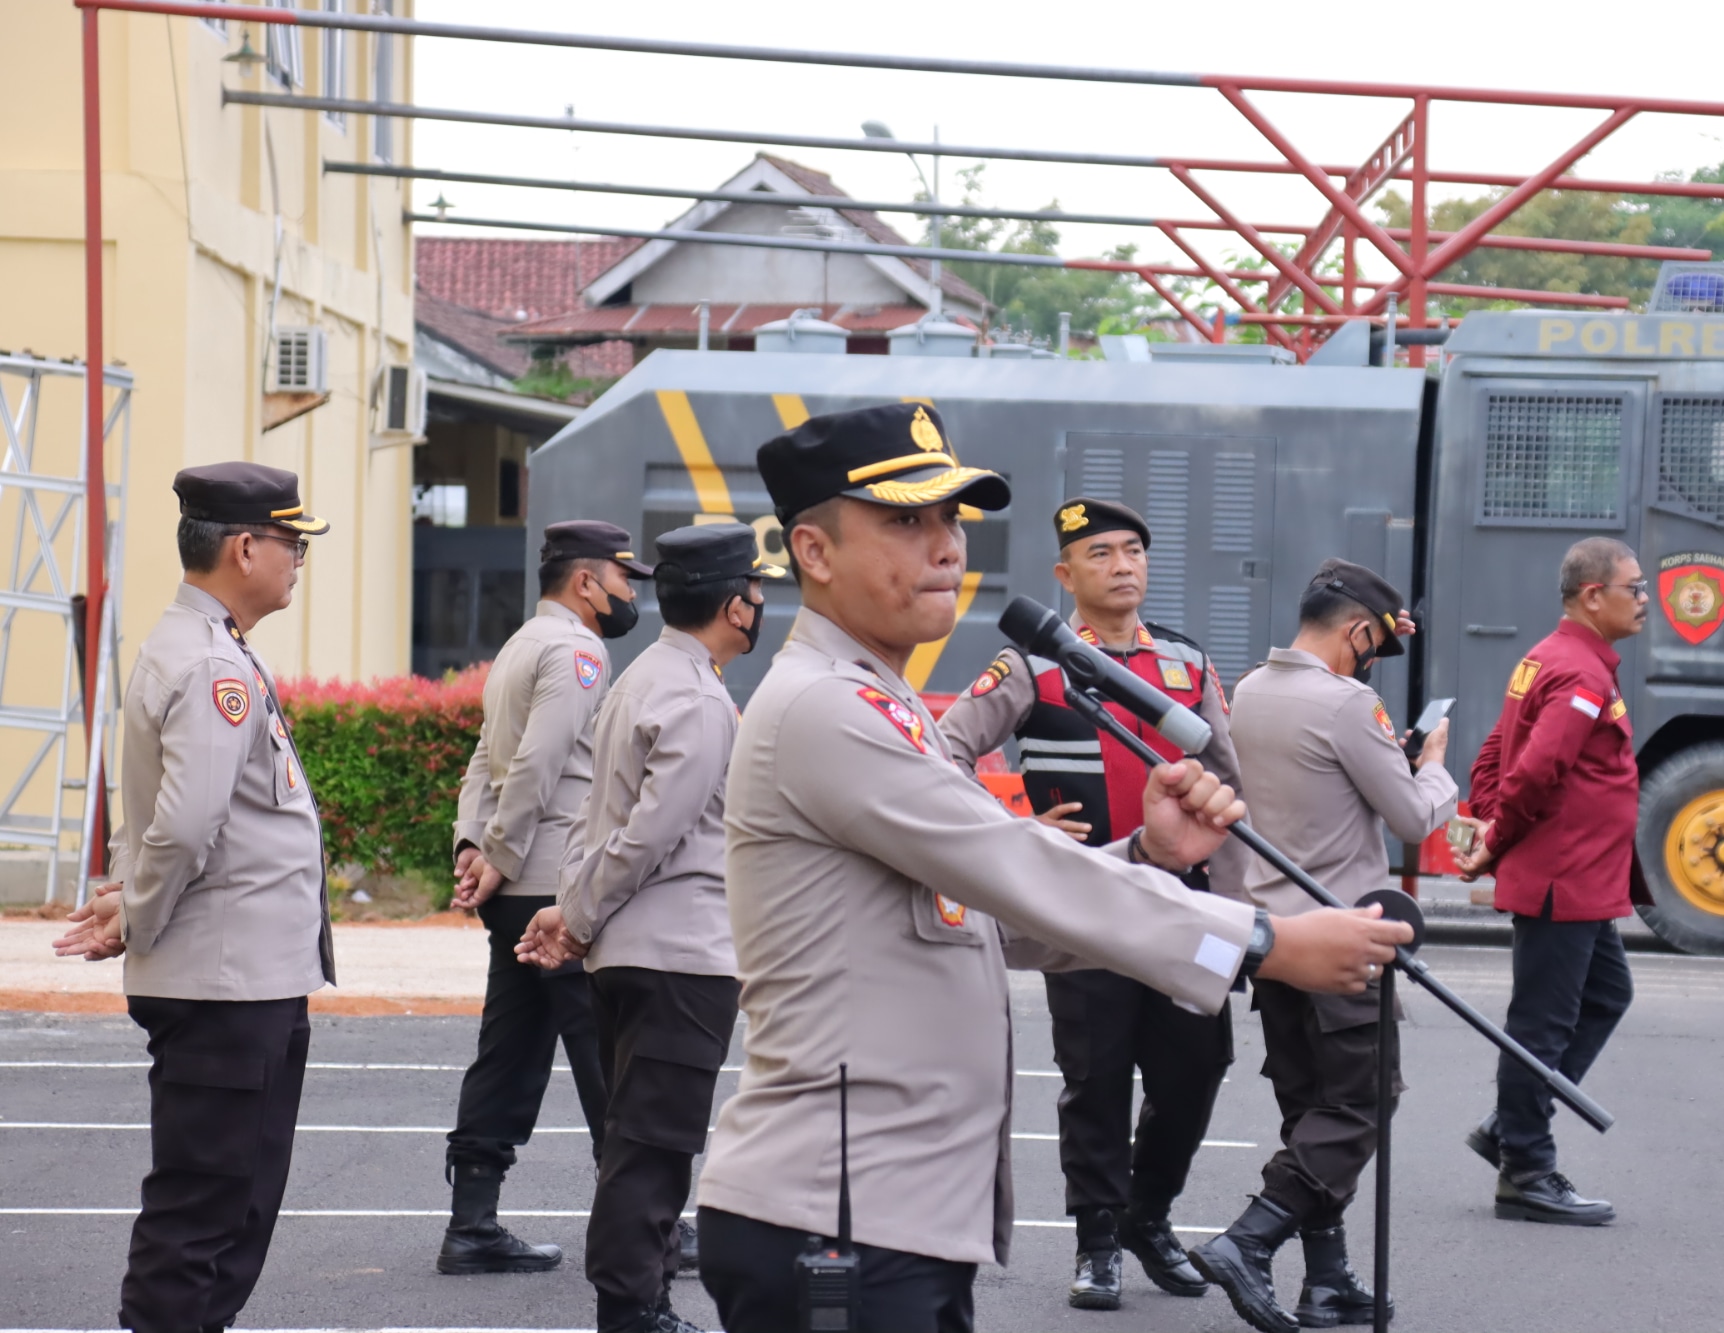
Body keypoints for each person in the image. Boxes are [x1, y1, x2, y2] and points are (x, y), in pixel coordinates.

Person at [691, 402, 1413, 1333]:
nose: (946, 546)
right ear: (814, 553)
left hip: (886, 1211)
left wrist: (1146, 852)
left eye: (951, 520)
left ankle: (1134, 1221)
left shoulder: (880, 698)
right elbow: (1017, 865)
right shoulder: (829, 710)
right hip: (838, 1216)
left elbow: (980, 917)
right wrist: (1264, 941)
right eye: (906, 522)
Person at [936, 496, 1244, 1311]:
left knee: (1196, 1070)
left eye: (1134, 550)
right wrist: (1013, 824)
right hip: (1081, 909)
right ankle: (1098, 1240)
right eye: (1101, 553)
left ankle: (1150, 1216)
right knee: (1096, 1077)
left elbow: (1231, 783)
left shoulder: (1184, 663)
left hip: (1181, 905)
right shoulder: (1032, 667)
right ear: (1064, 574)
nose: (1122, 565)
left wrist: (1239, 908)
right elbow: (941, 752)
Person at [52, 462, 334, 1333]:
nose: (297, 561)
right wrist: (135, 909)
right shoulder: (213, 663)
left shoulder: (202, 648)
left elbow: (161, 816)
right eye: (291, 544)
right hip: (225, 984)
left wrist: (129, 899)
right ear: (245, 548)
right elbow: (182, 825)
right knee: (206, 1208)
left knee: (231, 1206)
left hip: (242, 976)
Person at [515, 522, 783, 1333]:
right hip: (678, 955)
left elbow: (597, 824)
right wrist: (578, 915)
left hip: (635, 951)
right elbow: (646, 836)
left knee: (639, 1137)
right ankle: (632, 1309)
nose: (763, 605)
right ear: (736, 607)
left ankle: (643, 1296)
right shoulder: (698, 698)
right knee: (653, 1147)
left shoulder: (645, 675)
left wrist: (575, 914)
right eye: (758, 593)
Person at [1197, 560, 1456, 1332]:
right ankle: (1250, 1238)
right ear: (1354, 633)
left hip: (1273, 939)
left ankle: (1328, 1280)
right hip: (1342, 937)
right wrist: (1435, 767)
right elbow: (1411, 816)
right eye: (1372, 645)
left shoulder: (1248, 690)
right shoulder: (1348, 703)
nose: (1370, 659)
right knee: (1361, 1102)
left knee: (1310, 1107)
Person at [437, 521, 650, 1274]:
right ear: (586, 583)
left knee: (510, 1051)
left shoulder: (521, 645)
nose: (631, 595)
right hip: (555, 882)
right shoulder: (578, 650)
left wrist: (471, 844)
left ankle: (472, 1223)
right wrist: (494, 851)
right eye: (625, 580)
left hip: (512, 884)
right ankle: (643, 1226)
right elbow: (537, 760)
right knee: (607, 1057)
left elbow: (483, 757)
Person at [1454, 536, 1644, 1227]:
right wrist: (1493, 840)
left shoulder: (1552, 657)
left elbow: (1497, 750)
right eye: (1635, 587)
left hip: (1581, 875)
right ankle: (1526, 1170)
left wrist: (1482, 819)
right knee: (1539, 1024)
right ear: (1594, 595)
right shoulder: (1579, 673)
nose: (1645, 599)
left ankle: (1510, 1125)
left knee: (1607, 993)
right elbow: (1531, 770)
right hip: (1563, 876)